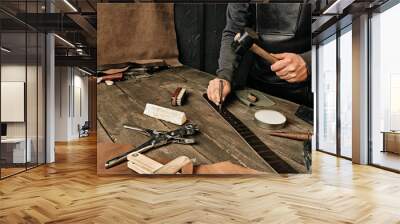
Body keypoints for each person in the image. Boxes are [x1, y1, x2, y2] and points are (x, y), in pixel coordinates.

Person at [207, 3, 313, 107]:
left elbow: (329, 32)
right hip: (259, 86)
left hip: (308, 89)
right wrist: (224, 76)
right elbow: (234, 32)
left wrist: (309, 62)